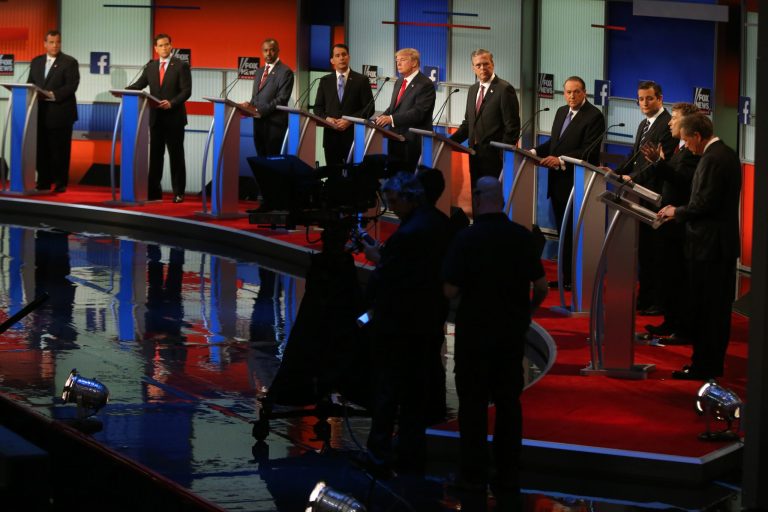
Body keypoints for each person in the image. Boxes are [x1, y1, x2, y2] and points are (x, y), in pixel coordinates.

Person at [442, 177, 547, 505]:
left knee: (472, 405)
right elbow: (542, 287)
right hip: (510, 332)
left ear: (478, 198)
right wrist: (526, 313)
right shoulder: (521, 237)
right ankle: (507, 472)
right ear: (500, 200)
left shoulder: (466, 238)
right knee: (508, 403)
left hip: (475, 332)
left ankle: (472, 475)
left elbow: (450, 290)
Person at [362, 172, 450, 474]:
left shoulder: (409, 232)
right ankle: (411, 452)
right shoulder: (440, 223)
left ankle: (379, 455)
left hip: (398, 323)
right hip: (428, 319)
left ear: (410, 196)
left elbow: (390, 276)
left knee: (387, 390)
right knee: (415, 393)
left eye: (393, 200)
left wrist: (376, 259)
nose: (391, 206)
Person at [657, 114, 741, 380]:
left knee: (709, 311)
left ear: (696, 136)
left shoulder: (713, 159)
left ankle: (704, 366)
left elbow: (704, 203)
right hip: (716, 245)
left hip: (709, 247)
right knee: (713, 309)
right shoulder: (725, 153)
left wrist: (675, 211)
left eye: (687, 141)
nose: (687, 147)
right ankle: (707, 364)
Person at [531, 76, 604, 289]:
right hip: (556, 183)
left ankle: (575, 279)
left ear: (584, 93)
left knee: (574, 232)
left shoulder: (594, 116)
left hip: (577, 183)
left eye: (576, 92)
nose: (572, 96)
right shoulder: (561, 112)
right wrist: (534, 151)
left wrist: (561, 160)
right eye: (568, 92)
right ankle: (564, 278)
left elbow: (588, 151)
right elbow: (554, 144)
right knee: (563, 232)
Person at [639, 102, 700, 340]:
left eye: (674, 118)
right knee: (668, 275)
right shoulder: (679, 148)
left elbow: (683, 180)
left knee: (677, 277)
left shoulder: (693, 152)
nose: (670, 122)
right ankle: (670, 322)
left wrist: (659, 163)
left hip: (679, 225)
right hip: (667, 219)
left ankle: (681, 326)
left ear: (687, 123)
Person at [619, 81, 678, 316]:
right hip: (639, 193)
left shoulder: (667, 125)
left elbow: (657, 165)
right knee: (644, 250)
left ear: (660, 98)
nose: (644, 103)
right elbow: (635, 156)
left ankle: (655, 299)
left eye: (649, 98)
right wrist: (615, 172)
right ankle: (644, 297)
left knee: (654, 252)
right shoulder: (644, 123)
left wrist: (630, 178)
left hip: (655, 195)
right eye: (641, 99)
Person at [126, 33, 191, 203]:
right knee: (155, 156)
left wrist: (172, 102)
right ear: (155, 48)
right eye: (161, 45)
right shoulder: (151, 67)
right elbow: (139, 84)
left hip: (174, 118)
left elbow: (186, 91)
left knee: (176, 156)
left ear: (171, 46)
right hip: (155, 119)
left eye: (167, 45)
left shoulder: (181, 66)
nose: (164, 48)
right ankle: (154, 192)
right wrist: (126, 90)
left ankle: (179, 192)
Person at [449, 49, 520, 189]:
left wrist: (503, 154)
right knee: (476, 197)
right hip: (474, 154)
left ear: (492, 64)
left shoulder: (504, 89)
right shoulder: (473, 90)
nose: (482, 68)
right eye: (478, 65)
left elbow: (512, 126)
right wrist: (448, 142)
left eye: (486, 64)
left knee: (490, 198)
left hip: (494, 158)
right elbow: (468, 123)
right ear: (473, 68)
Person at [27, 30, 80, 193]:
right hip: (39, 114)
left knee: (60, 151)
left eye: (57, 42)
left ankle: (60, 182)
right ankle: (43, 181)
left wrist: (53, 94)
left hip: (60, 114)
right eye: (51, 42)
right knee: (41, 149)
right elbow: (30, 83)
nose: (55, 45)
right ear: (45, 44)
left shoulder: (69, 62)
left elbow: (72, 86)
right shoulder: (36, 62)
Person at [375, 48, 436, 171]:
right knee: (393, 176)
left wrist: (390, 119)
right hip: (394, 138)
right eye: (397, 60)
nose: (398, 64)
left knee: (406, 180)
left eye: (402, 60)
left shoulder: (425, 84)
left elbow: (418, 113)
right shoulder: (399, 81)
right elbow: (393, 107)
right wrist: (381, 118)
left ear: (414, 62)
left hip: (411, 141)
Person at [313, 44, 374, 166]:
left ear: (349, 57)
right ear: (332, 60)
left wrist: (349, 121)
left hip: (353, 136)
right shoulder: (325, 81)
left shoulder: (361, 80)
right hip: (331, 137)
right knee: (333, 175)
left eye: (344, 55)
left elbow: (369, 108)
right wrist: (327, 119)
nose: (341, 58)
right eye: (337, 55)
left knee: (353, 176)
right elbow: (318, 108)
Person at [243, 39, 294, 157]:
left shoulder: (286, 72)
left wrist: (259, 111)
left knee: (272, 162)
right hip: (258, 124)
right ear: (262, 52)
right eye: (265, 50)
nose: (268, 54)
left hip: (274, 125)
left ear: (278, 51)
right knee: (260, 159)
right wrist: (249, 106)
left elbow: (282, 99)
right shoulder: (259, 71)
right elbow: (255, 96)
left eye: (272, 50)